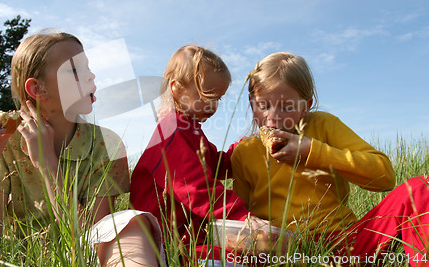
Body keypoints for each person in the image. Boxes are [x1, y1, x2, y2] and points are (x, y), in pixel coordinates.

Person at [0, 31, 163, 266]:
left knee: (130, 225)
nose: (91, 75)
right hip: (16, 261)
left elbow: (94, 237)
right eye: (75, 70)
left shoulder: (106, 145)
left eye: (87, 67)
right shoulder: (6, 144)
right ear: (38, 89)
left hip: (79, 259)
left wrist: (47, 163)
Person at [231, 51, 429, 266]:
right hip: (282, 251)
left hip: (343, 243)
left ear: (306, 106)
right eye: (264, 106)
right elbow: (240, 213)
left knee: (420, 188)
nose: (273, 116)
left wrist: (313, 151)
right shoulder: (245, 151)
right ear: (252, 104)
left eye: (287, 107)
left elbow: (385, 177)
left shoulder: (323, 125)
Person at [130, 45, 267, 264]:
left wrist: (246, 148)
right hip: (160, 243)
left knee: (246, 257)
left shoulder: (190, 130)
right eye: (207, 96)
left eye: (218, 99)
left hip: (186, 240)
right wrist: (242, 216)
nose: (213, 106)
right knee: (237, 259)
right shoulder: (171, 130)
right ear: (176, 89)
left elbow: (218, 164)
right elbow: (196, 187)